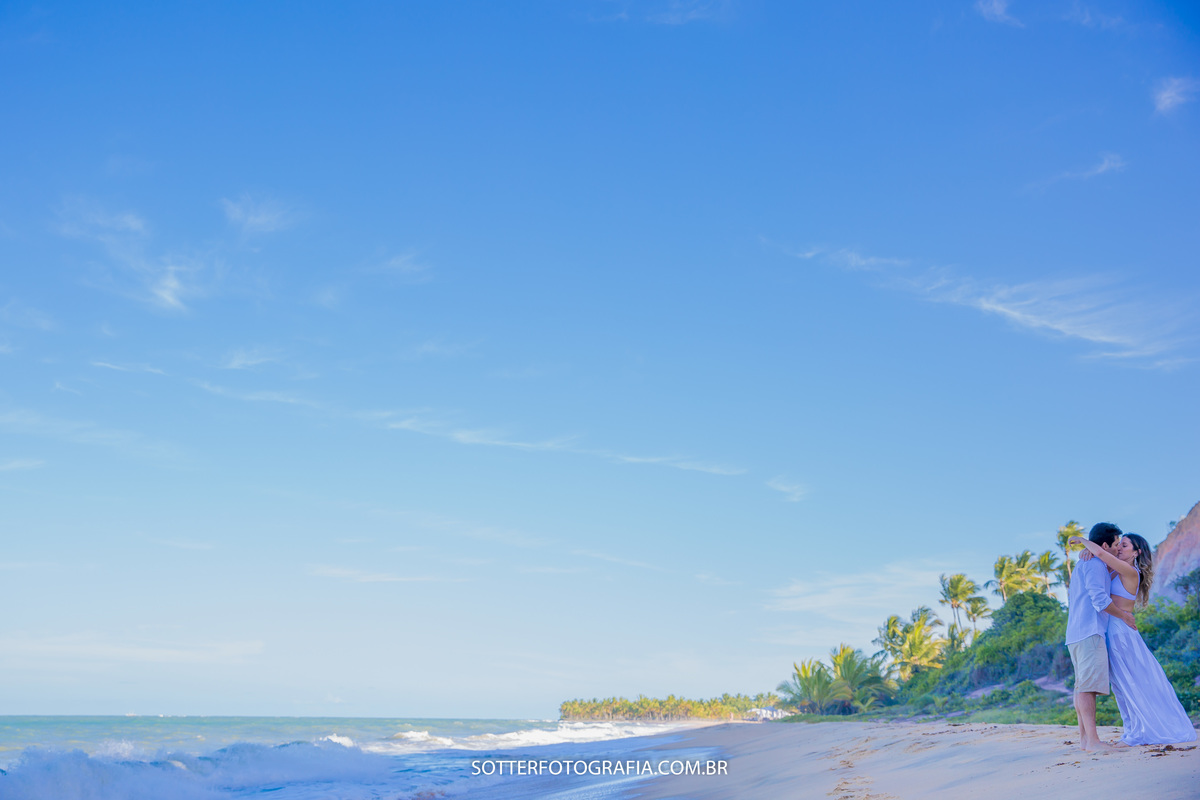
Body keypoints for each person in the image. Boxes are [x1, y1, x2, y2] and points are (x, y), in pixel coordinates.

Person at [1070, 531, 1198, 746]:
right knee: (1121, 684)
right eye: (1119, 545)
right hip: (1109, 630)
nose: (1119, 548)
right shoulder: (1114, 571)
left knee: (1134, 680)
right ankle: (1133, 729)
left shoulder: (1130, 571)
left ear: (1136, 553)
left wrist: (1084, 542)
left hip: (1121, 632)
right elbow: (1100, 561)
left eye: (1125, 546)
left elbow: (1101, 553)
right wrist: (1087, 552)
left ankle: (1148, 728)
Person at [1064, 522, 1136, 751]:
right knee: (1087, 688)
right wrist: (1124, 615)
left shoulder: (1087, 563)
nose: (1117, 549)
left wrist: (1091, 549)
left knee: (1081, 687)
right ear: (1104, 545)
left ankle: (1085, 741)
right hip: (1089, 631)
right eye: (1116, 544)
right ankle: (1093, 741)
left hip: (1076, 633)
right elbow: (1100, 601)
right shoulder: (1094, 564)